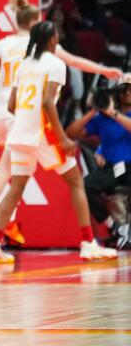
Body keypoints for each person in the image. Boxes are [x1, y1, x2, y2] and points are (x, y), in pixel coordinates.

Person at [0, 0, 123, 254]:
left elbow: (12, 104)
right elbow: (48, 103)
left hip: (18, 130)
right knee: (76, 183)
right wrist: (63, 138)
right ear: (52, 40)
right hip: (42, 133)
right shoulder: (55, 64)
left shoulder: (24, 64)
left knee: (15, 188)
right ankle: (88, 243)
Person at [66, 74, 131, 248]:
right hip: (113, 168)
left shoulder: (115, 114)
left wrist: (114, 113)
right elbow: (71, 133)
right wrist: (94, 110)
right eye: (124, 88)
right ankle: (116, 226)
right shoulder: (102, 118)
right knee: (85, 186)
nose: (128, 92)